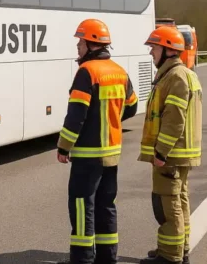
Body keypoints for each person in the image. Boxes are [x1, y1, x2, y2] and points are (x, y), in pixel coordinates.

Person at [57, 19, 139, 264]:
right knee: (106, 206)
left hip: (87, 156)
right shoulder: (119, 71)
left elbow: (76, 116)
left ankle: (82, 259)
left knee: (83, 207)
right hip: (111, 154)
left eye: (80, 42)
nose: (78, 47)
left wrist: (64, 146)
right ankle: (107, 258)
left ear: (92, 44)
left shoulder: (87, 72)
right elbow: (132, 107)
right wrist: (110, 117)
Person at [138, 27, 202, 264]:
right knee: (179, 201)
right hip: (180, 153)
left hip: (172, 154)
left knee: (168, 205)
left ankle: (170, 256)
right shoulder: (183, 74)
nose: (151, 53)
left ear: (167, 49)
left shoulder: (175, 77)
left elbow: (174, 119)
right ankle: (179, 249)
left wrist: (161, 152)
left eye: (154, 48)